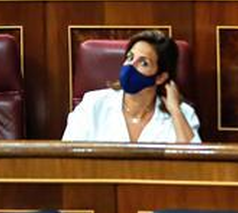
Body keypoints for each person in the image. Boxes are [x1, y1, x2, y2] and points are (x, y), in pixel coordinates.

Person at [62, 30, 201, 143]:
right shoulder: (93, 104)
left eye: (143, 63)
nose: (130, 65)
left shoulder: (182, 113)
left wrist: (175, 111)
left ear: (160, 77)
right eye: (130, 57)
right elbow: (68, 160)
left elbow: (193, 165)